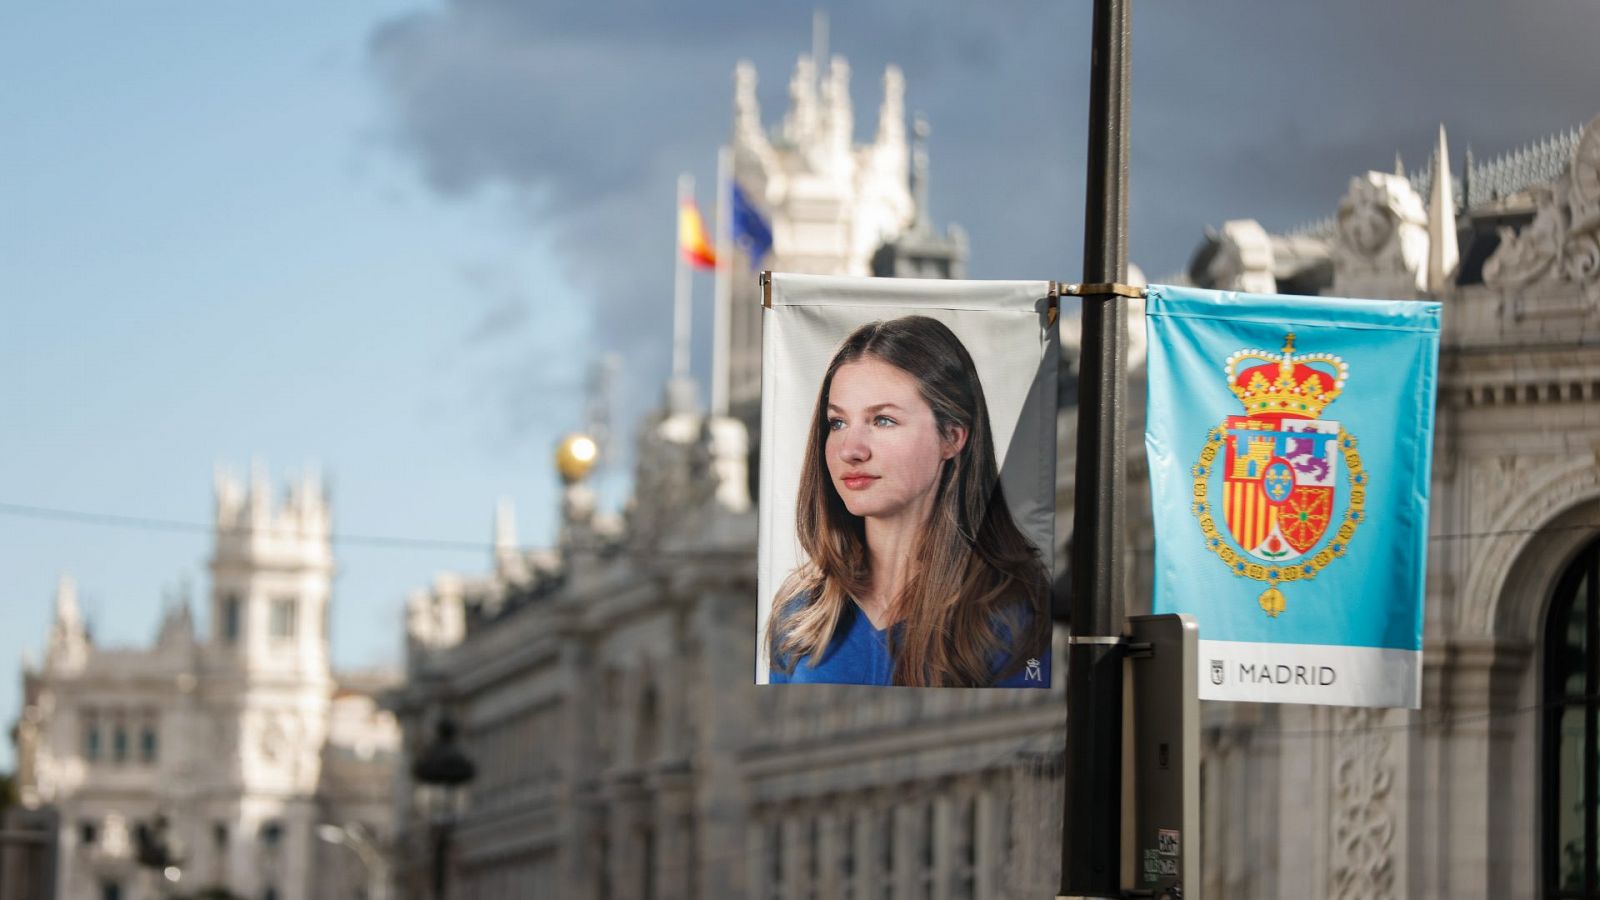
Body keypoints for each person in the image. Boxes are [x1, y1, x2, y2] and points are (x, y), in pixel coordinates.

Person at [767, 315, 1051, 687]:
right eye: (837, 423)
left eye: (883, 420)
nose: (850, 450)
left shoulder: (1014, 616)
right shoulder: (800, 615)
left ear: (951, 437)